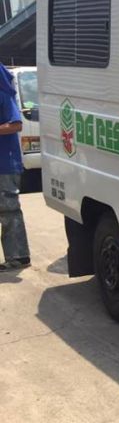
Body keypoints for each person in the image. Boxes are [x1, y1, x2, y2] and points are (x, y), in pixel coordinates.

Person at [0, 63, 30, 272]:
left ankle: (18, 256)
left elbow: (16, 124)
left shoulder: (3, 96)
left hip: (5, 164)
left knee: (9, 209)